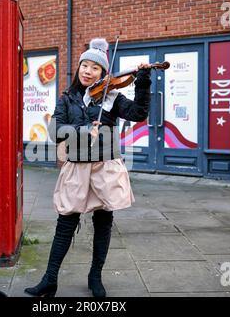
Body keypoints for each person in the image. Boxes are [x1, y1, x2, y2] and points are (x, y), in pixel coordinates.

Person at [24, 38, 152, 297]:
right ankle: (50, 279)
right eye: (85, 65)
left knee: (103, 223)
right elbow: (55, 130)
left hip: (105, 166)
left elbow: (139, 113)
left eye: (95, 68)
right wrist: (82, 130)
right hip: (77, 167)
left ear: (104, 74)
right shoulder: (67, 98)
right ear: (79, 68)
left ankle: (95, 277)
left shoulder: (112, 97)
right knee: (65, 223)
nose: (88, 71)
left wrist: (143, 81)